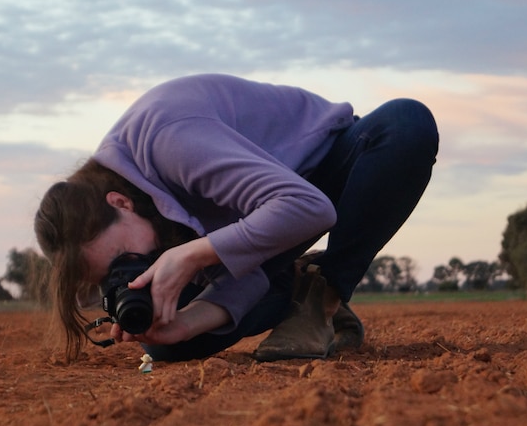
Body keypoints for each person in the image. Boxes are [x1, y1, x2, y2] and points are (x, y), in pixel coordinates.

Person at [35, 74, 438, 362]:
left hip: (322, 170)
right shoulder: (145, 210)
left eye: (123, 258)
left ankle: (324, 290)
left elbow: (309, 207)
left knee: (406, 125)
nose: (133, 270)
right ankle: (297, 281)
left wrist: (190, 256)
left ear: (120, 202)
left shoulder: (167, 140)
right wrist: (185, 324)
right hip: (264, 226)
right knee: (163, 342)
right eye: (112, 275)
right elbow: (244, 267)